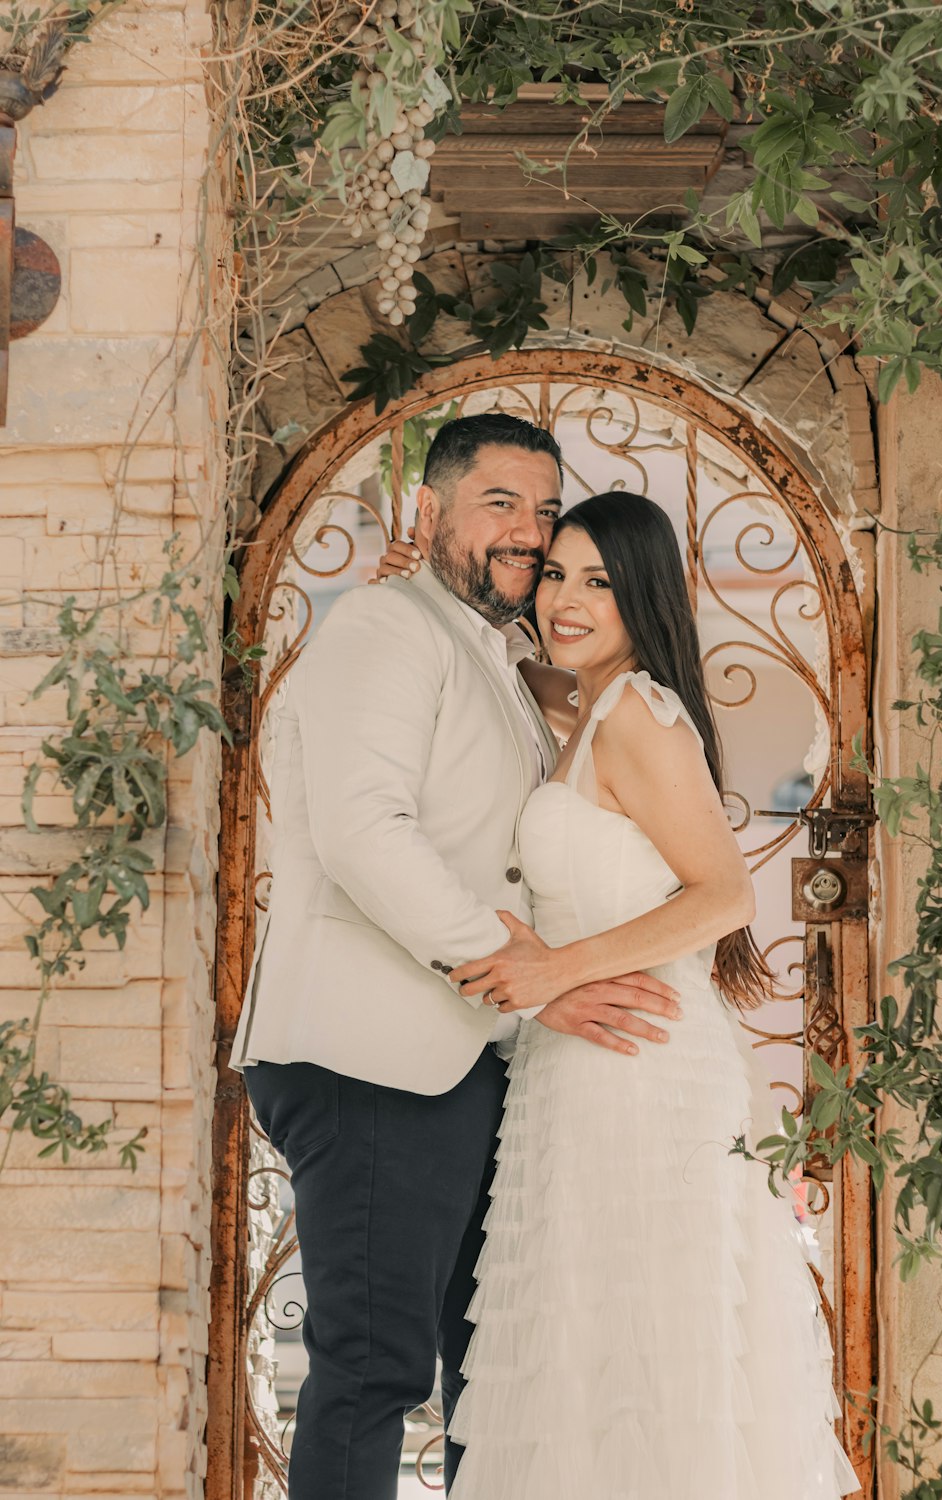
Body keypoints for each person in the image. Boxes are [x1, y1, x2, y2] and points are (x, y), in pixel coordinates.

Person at [229, 414, 685, 1500]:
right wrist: (524, 972)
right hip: (372, 1056)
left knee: (494, 1374)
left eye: (542, 507)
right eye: (499, 503)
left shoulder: (494, 650)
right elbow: (361, 833)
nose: (528, 530)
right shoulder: (386, 628)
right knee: (374, 1366)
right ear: (428, 512)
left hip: (464, 1053)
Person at [380, 491, 861, 1498]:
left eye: (598, 582)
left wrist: (557, 969)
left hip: (640, 1073)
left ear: (643, 596)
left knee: (644, 1356)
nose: (566, 600)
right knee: (581, 1360)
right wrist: (419, 595)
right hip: (572, 1072)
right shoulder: (580, 707)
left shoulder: (640, 711)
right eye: (555, 573)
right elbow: (493, 667)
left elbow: (723, 893)